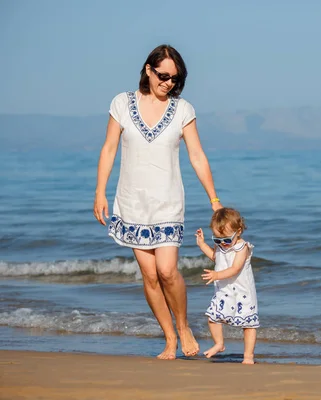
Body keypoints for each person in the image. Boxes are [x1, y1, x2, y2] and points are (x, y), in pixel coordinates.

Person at [93, 44, 222, 360]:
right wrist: (100, 191)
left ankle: (183, 326)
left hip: (168, 201)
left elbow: (196, 155)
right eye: (163, 76)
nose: (169, 83)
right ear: (148, 70)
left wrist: (214, 200)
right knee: (149, 275)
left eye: (175, 79)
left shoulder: (183, 110)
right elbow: (109, 148)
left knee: (166, 270)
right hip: (132, 202)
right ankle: (169, 339)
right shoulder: (122, 104)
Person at [196, 207, 259, 364]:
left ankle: (248, 356)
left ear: (238, 232)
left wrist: (216, 275)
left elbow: (235, 269)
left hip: (243, 292)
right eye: (217, 239)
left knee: (248, 324)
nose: (222, 243)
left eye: (226, 239)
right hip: (224, 291)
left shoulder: (241, 247)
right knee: (213, 317)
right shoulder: (221, 246)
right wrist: (202, 244)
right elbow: (215, 257)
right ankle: (219, 343)